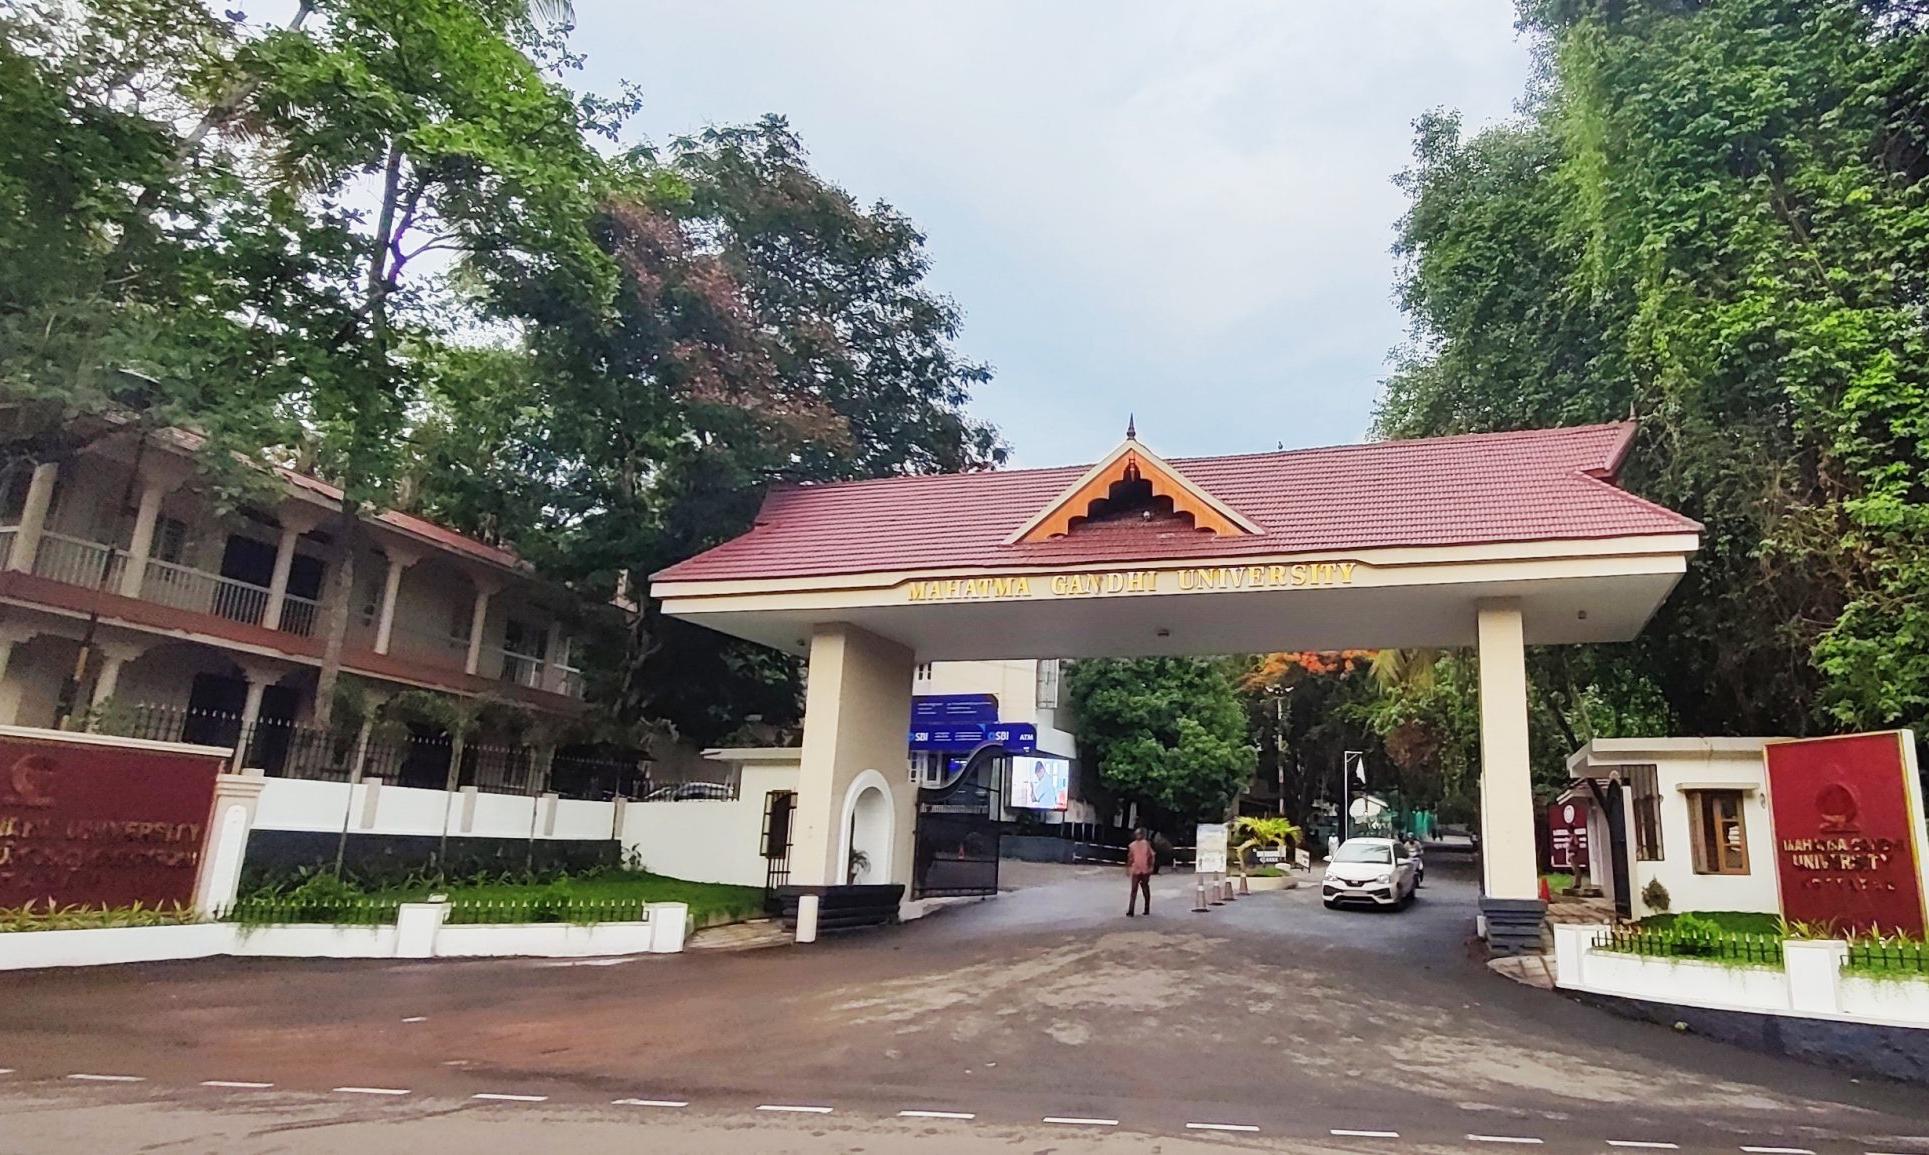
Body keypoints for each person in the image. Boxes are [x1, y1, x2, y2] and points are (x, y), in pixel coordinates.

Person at [1125, 828, 1156, 917]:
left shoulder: (1146, 844)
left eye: (1139, 834)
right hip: (1136, 870)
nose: (1138, 836)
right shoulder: (1132, 845)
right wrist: (1128, 868)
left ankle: (1146, 908)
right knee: (1133, 890)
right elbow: (1130, 857)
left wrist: (1151, 867)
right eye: (1136, 834)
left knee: (1145, 889)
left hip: (1145, 870)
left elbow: (1152, 856)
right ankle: (1131, 910)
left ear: (1142, 835)